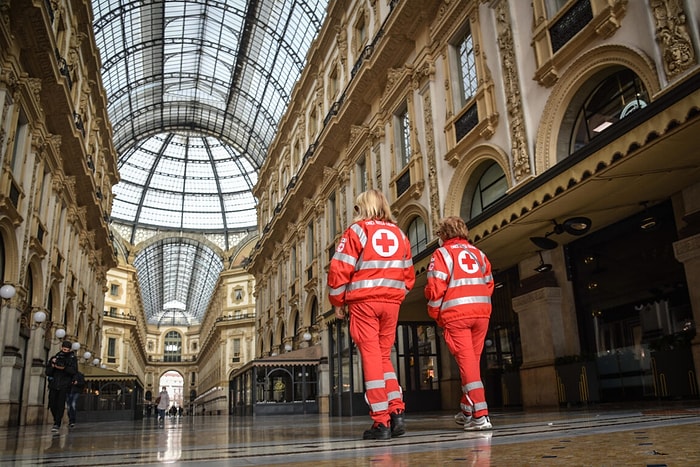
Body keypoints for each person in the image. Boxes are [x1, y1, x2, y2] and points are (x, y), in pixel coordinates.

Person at [328, 189, 416, 440]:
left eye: (357, 208)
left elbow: (339, 268)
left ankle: (381, 421)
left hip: (365, 303)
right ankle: (396, 410)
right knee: (383, 356)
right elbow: (408, 275)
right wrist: (394, 293)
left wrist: (338, 301)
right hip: (391, 303)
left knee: (370, 357)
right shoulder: (400, 234)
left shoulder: (357, 231)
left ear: (362, 209)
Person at [424, 216, 494, 431]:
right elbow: (489, 284)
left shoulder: (442, 254)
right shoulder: (479, 254)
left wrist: (436, 313)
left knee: (467, 364)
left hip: (456, 315)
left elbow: (436, 288)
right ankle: (467, 409)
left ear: (443, 234)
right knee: (472, 363)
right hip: (481, 313)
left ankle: (480, 416)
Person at [46, 341, 78, 432]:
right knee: (52, 403)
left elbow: (74, 371)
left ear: (70, 350)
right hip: (54, 384)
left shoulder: (72, 359)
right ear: (61, 348)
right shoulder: (55, 357)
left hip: (64, 385)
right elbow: (47, 372)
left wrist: (64, 368)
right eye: (64, 349)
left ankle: (57, 423)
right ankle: (55, 419)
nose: (65, 351)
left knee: (60, 404)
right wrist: (52, 365)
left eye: (67, 350)